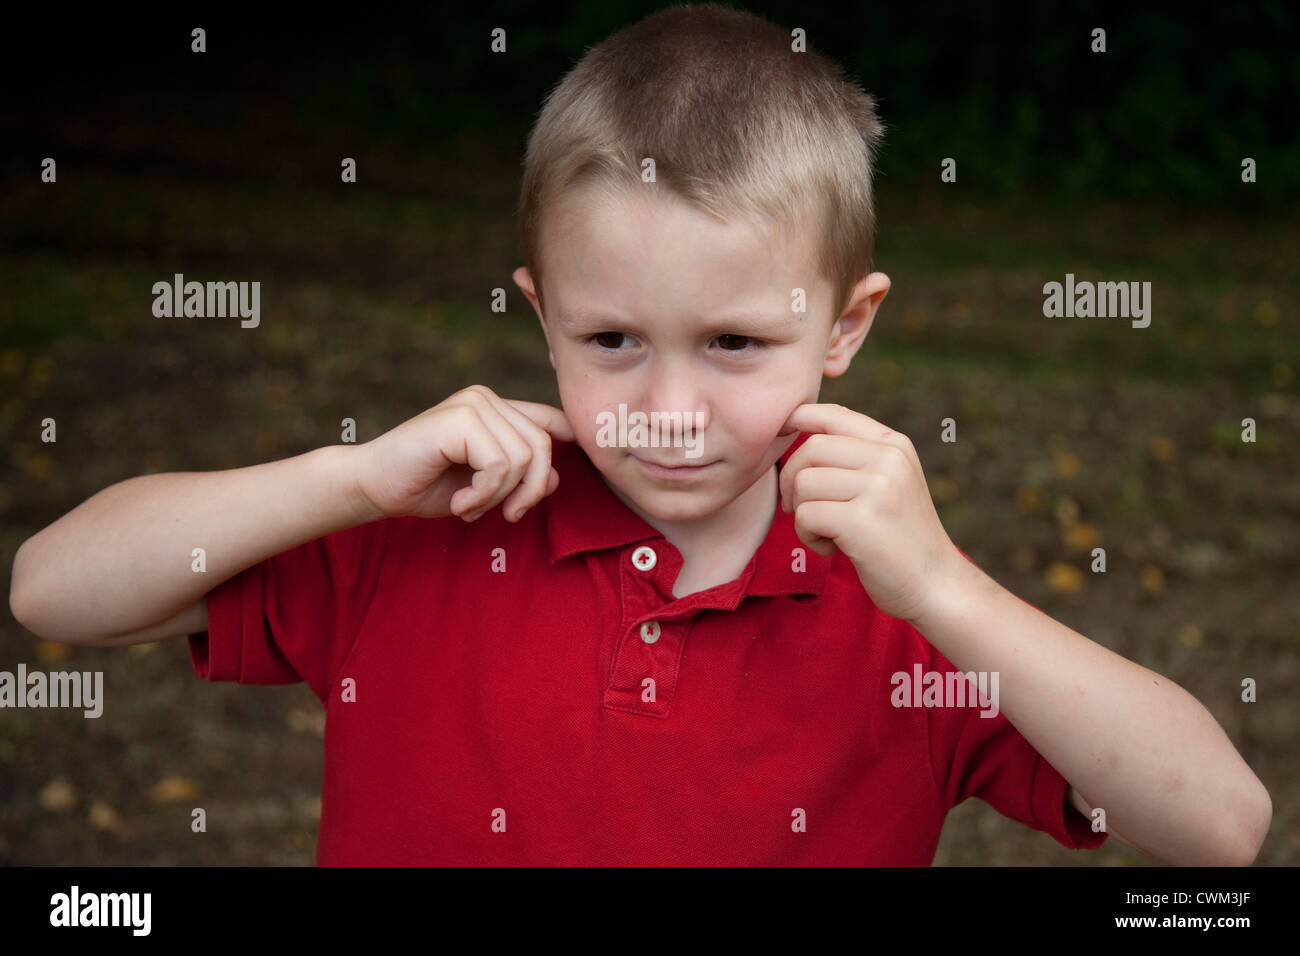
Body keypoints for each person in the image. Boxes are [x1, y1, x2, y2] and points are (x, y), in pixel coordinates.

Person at [9, 3, 1270, 865]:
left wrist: (943, 585)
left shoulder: (902, 611)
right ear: (541, 313)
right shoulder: (424, 530)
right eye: (612, 340)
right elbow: (54, 590)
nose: (669, 406)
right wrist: (345, 476)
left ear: (843, 327)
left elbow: (1220, 823)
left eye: (733, 344)